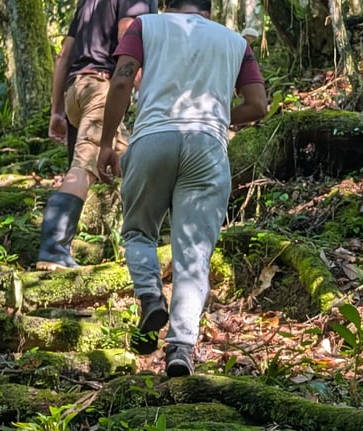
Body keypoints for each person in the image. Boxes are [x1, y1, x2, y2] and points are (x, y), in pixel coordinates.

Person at [97, 0, 268, 376]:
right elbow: (257, 106)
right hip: (207, 146)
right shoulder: (235, 42)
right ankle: (180, 348)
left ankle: (149, 297)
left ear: (167, 3)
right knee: (194, 252)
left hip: (153, 139)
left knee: (140, 231)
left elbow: (123, 78)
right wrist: (220, 115)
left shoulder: (145, 26)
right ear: (208, 7)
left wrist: (107, 143)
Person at [36, 0, 157, 271]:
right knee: (84, 166)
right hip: (102, 89)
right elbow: (129, 36)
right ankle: (53, 249)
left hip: (75, 89)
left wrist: (57, 111)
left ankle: (147, 238)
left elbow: (64, 55)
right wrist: (152, 92)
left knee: (132, 160)